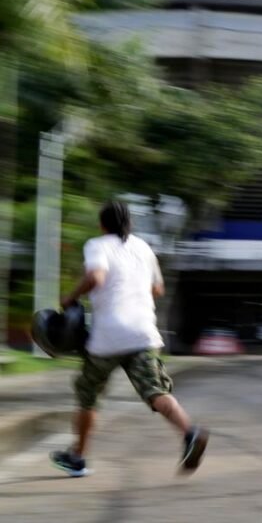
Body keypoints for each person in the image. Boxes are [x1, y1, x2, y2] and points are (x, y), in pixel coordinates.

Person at [49, 201, 209, 478]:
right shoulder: (144, 249)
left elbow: (96, 277)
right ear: (129, 224)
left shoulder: (97, 245)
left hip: (108, 338)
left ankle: (78, 457)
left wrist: (70, 297)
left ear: (102, 224)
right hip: (144, 334)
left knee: (87, 394)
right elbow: (158, 289)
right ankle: (190, 433)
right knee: (156, 392)